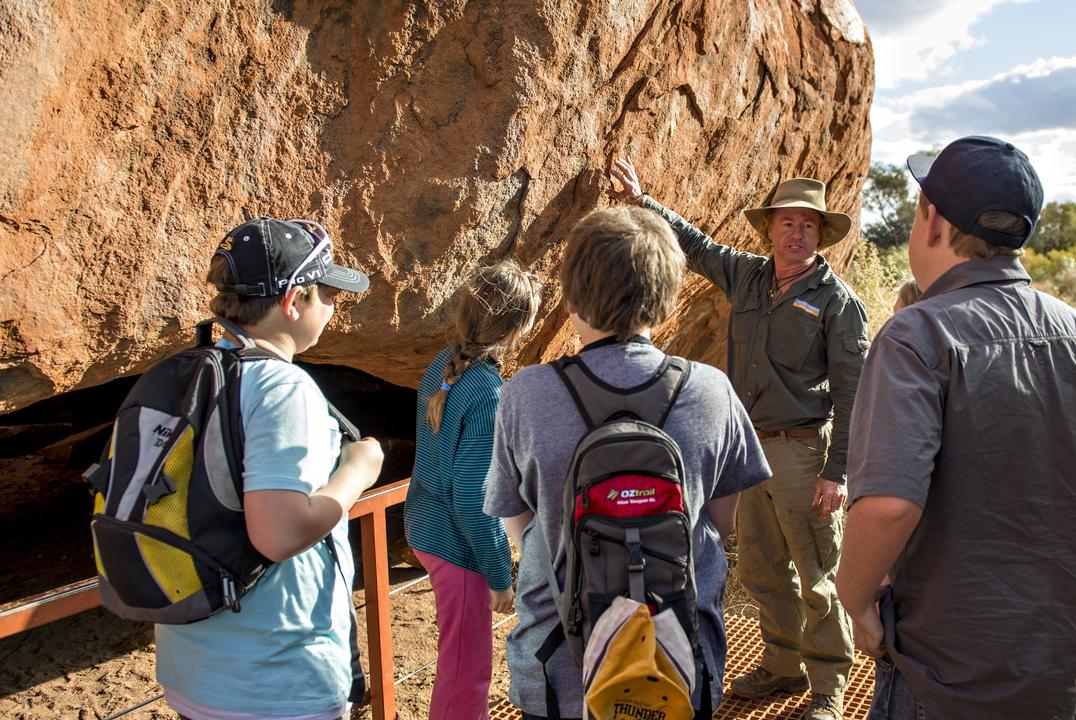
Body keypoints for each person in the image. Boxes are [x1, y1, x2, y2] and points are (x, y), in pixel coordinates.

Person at [834, 136, 1076, 719]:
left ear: (931, 220)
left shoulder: (917, 336)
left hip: (943, 674)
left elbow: (888, 504)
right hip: (1054, 667)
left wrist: (854, 599)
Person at [484, 206, 771, 719]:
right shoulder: (711, 391)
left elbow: (519, 524)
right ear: (665, 301)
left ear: (571, 299)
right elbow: (721, 524)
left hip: (559, 672)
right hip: (678, 665)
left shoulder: (525, 393)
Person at [608, 158, 866, 720]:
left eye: (808, 226)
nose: (796, 234)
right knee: (762, 568)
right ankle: (782, 665)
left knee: (818, 575)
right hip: (746, 447)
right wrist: (642, 197)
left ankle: (828, 686)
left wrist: (837, 472)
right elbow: (695, 246)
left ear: (820, 235)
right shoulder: (747, 274)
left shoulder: (837, 302)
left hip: (803, 453)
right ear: (769, 229)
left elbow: (854, 395)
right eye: (787, 223)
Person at [156, 217, 383, 720]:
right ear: (294, 300)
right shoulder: (282, 388)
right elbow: (278, 535)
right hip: (274, 682)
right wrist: (358, 471)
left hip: (194, 666)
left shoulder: (196, 370)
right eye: (327, 292)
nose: (333, 305)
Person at [405, 260, 543, 720]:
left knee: (458, 659)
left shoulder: (443, 366)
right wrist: (499, 574)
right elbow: (471, 494)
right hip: (459, 547)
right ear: (516, 328)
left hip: (426, 527)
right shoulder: (488, 391)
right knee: (467, 669)